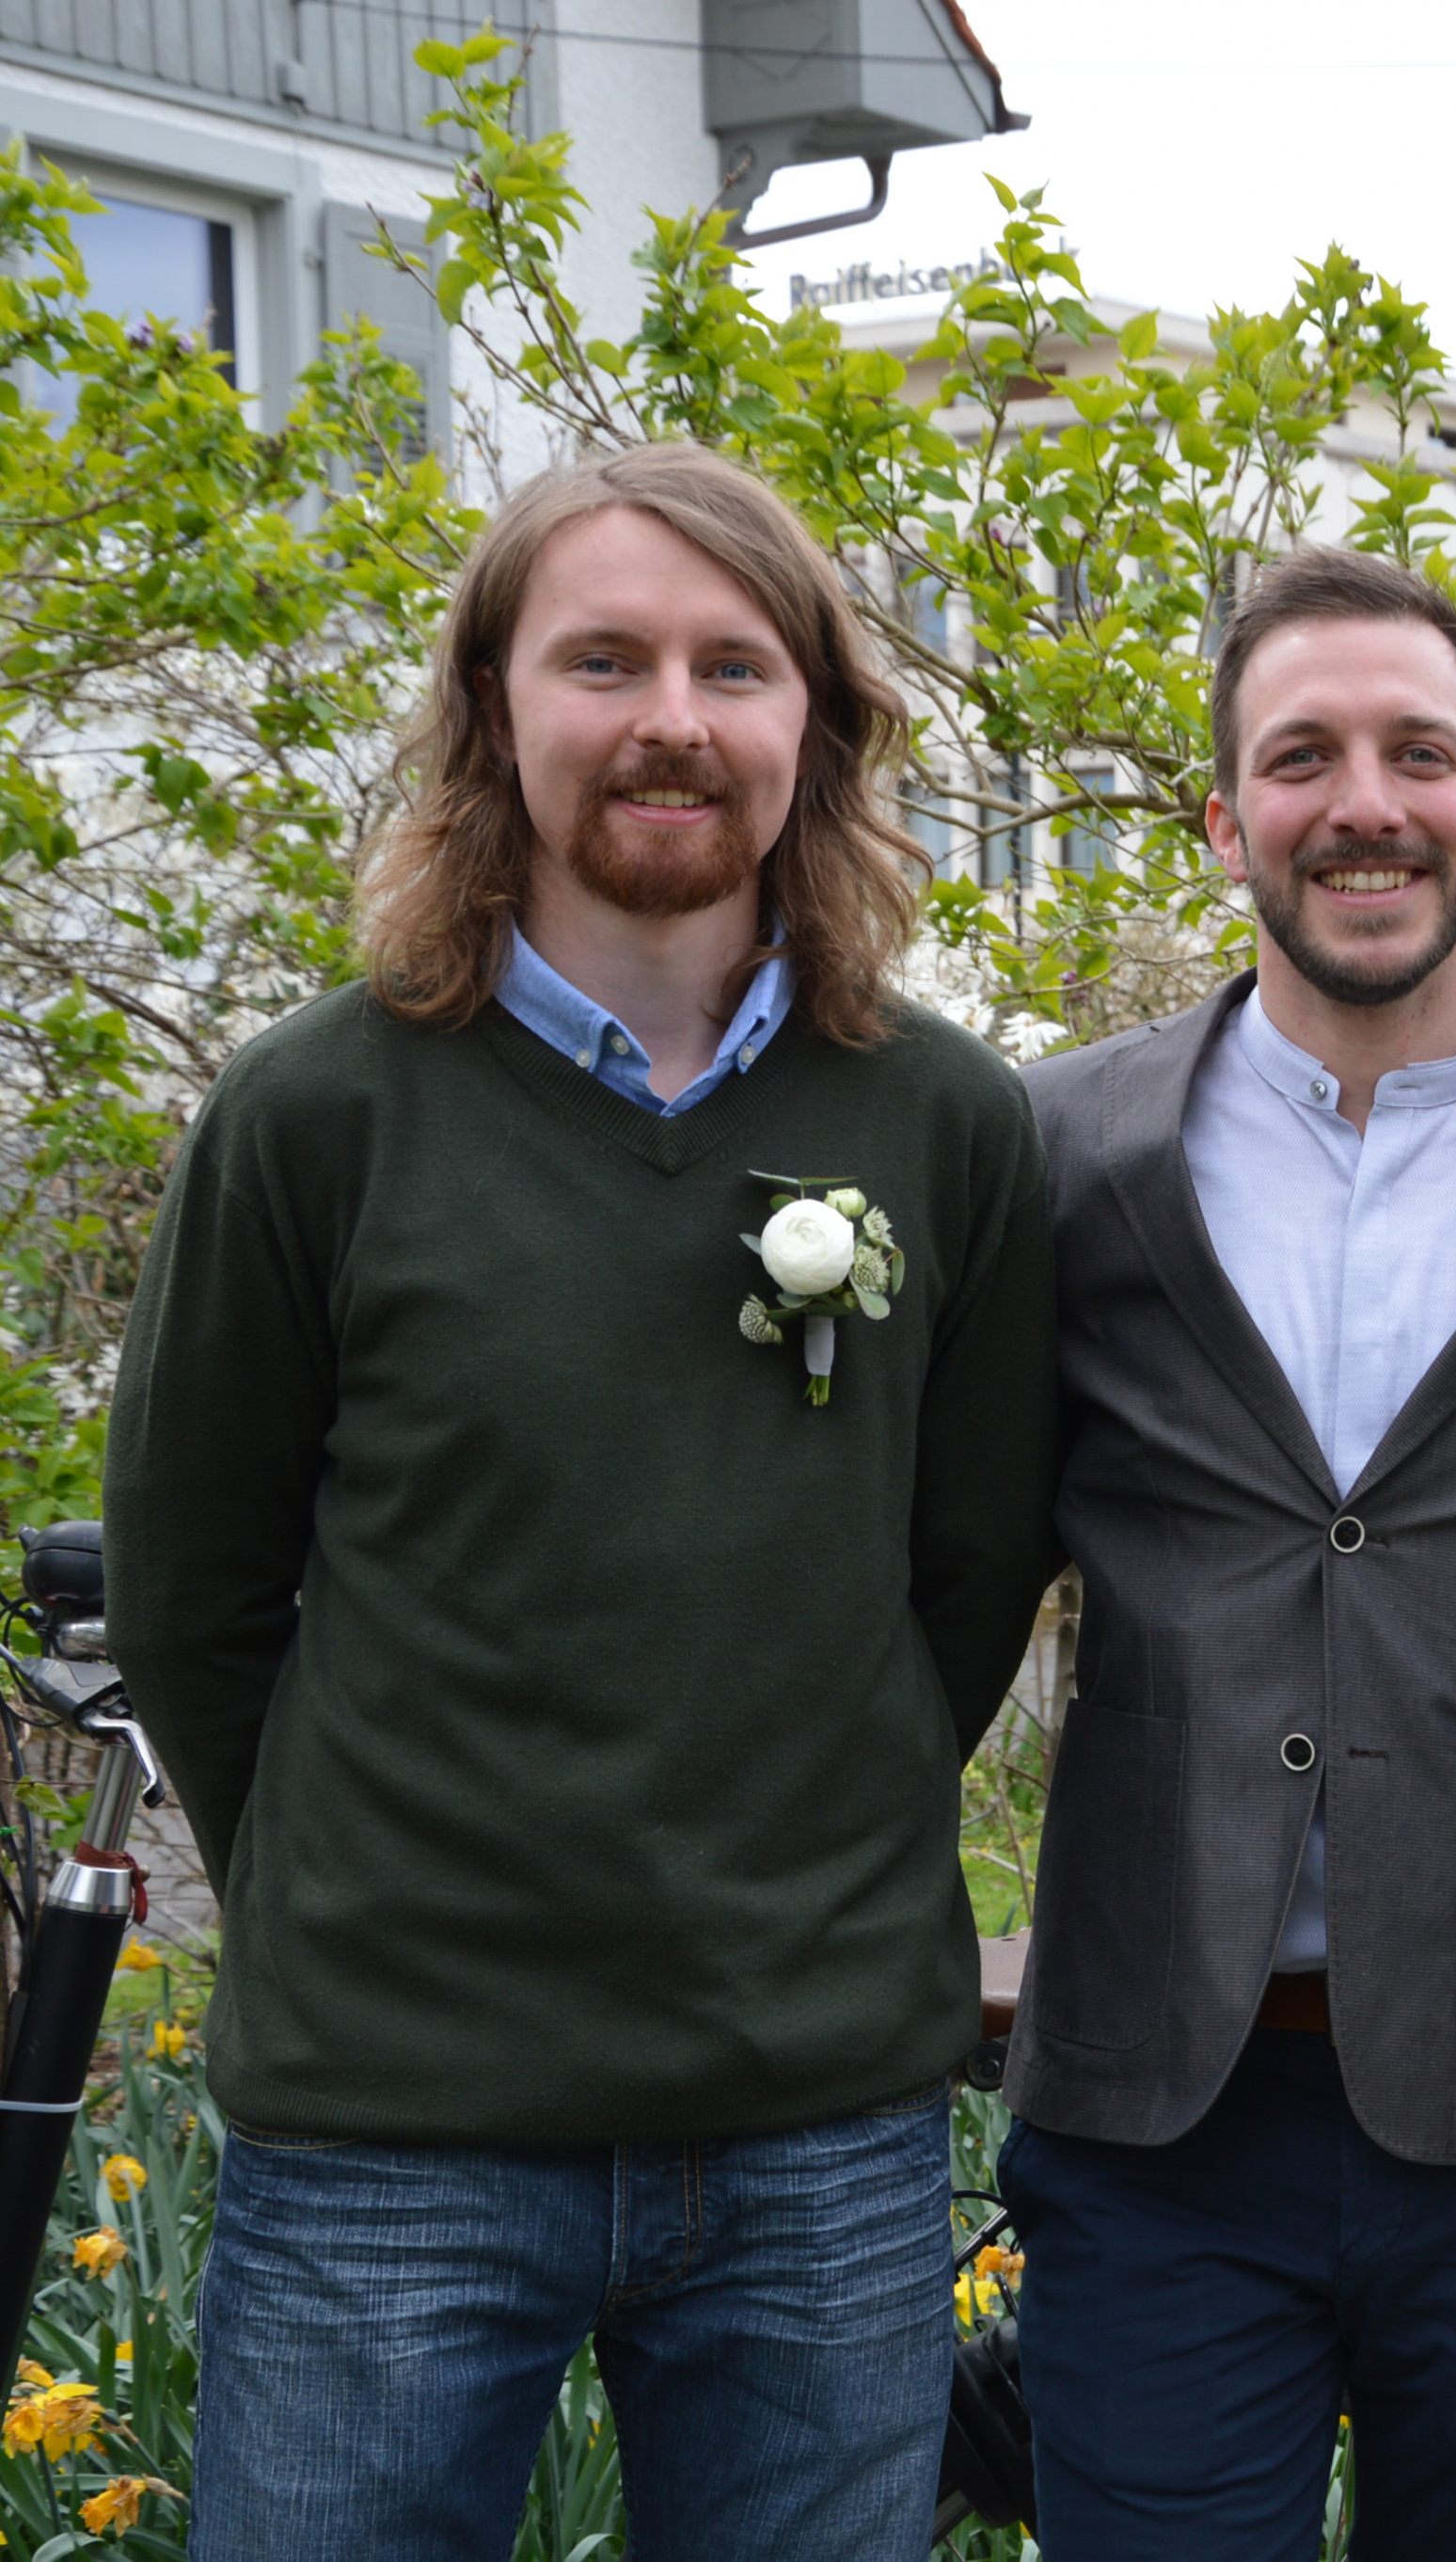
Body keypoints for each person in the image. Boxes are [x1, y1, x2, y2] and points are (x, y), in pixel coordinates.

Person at [103, 440, 1061, 2560]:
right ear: (493, 702)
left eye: (734, 666)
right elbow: (193, 1595)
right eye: (603, 659)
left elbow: (974, 1572)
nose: (670, 720)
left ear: (814, 722)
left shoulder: (946, 1123)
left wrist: (798, 1851)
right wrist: (368, 1900)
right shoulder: (313, 1115)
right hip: (395, 2134)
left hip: (819, 2131)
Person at [1003, 546, 1456, 2561]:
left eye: (1419, 753)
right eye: (1302, 756)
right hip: (1158, 2100)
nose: (1365, 804)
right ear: (1222, 815)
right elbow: (942, 1568)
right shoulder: (1055, 1156)